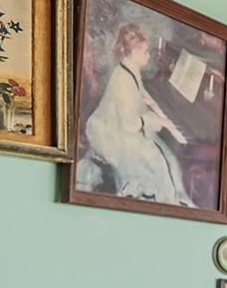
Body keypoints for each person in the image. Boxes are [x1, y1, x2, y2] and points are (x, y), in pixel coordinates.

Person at [78, 24, 192, 205]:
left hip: (123, 125)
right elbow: (130, 124)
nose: (148, 55)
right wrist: (158, 119)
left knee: (168, 158)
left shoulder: (129, 68)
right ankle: (166, 202)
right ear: (132, 52)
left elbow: (139, 91)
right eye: (144, 51)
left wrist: (152, 104)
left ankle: (176, 197)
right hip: (115, 134)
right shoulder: (122, 78)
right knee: (159, 164)